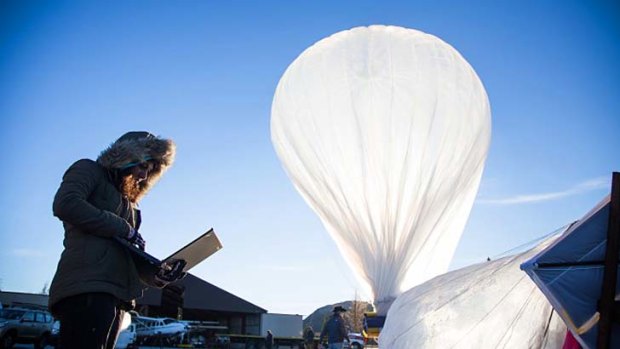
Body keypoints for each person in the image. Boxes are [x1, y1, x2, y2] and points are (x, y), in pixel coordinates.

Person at [48, 131, 184, 349]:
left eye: (149, 172)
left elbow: (124, 250)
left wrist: (156, 273)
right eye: (141, 166)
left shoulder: (131, 205)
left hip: (118, 298)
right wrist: (123, 228)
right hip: (88, 287)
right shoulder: (88, 169)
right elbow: (66, 203)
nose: (142, 176)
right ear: (127, 157)